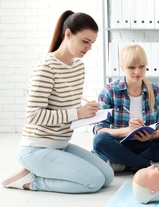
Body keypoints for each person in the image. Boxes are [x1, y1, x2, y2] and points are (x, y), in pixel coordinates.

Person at [1, 10, 114, 193]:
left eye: (92, 43)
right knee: (92, 182)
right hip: (36, 148)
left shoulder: (78, 67)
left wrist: (88, 112)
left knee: (107, 176)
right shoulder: (46, 68)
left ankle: (45, 170)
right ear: (68, 34)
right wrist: (77, 113)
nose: (89, 47)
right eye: (85, 41)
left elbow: (66, 107)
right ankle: (31, 180)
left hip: (61, 144)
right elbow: (34, 115)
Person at [92, 44, 159, 173]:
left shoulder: (154, 90)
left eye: (141, 66)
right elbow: (100, 130)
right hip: (120, 145)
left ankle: (122, 163)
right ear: (122, 67)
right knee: (99, 141)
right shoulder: (110, 91)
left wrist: (150, 137)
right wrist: (128, 131)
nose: (137, 72)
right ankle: (152, 166)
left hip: (146, 145)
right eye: (131, 67)